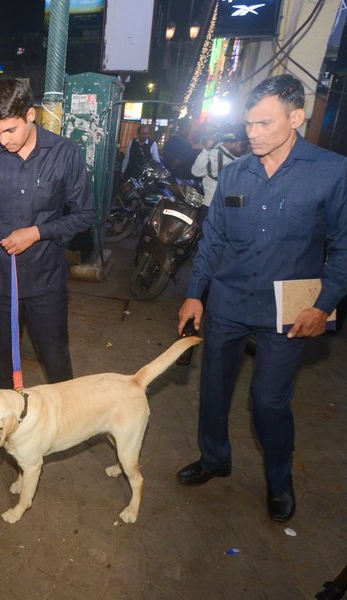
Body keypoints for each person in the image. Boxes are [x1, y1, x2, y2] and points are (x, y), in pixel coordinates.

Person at [176, 74, 347, 522]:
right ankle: (214, 459)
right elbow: (212, 240)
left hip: (291, 309)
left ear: (296, 118)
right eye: (248, 123)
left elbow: (344, 246)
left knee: (269, 401)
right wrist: (195, 295)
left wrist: (324, 304)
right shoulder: (235, 171)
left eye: (263, 124)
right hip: (229, 301)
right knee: (212, 389)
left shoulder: (331, 172)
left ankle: (278, 479)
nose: (251, 133)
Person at [0, 78, 95, 391]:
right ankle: (5, 433)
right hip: (2, 283)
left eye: (10, 130)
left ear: (30, 115)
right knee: (2, 366)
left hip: (46, 281)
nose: (3, 139)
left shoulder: (64, 154)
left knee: (56, 361)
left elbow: (85, 216)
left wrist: (37, 232)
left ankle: (66, 430)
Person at [190, 123, 248, 219]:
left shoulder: (243, 159)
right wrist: (206, 150)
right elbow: (196, 172)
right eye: (242, 144)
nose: (245, 148)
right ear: (231, 142)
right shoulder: (213, 154)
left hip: (232, 209)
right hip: (211, 207)